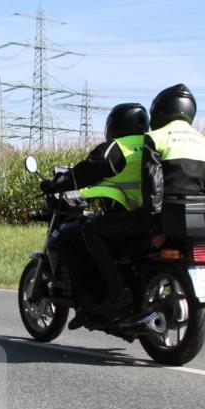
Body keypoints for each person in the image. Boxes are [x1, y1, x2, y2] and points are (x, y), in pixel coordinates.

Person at [41, 102, 157, 323]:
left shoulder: (118, 147)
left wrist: (59, 182)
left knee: (73, 235)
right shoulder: (153, 144)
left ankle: (102, 295)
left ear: (116, 124)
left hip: (126, 218)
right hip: (152, 217)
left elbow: (88, 171)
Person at [146, 83, 205, 202]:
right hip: (200, 213)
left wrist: (153, 217)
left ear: (160, 110)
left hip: (168, 210)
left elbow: (153, 184)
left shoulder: (153, 138)